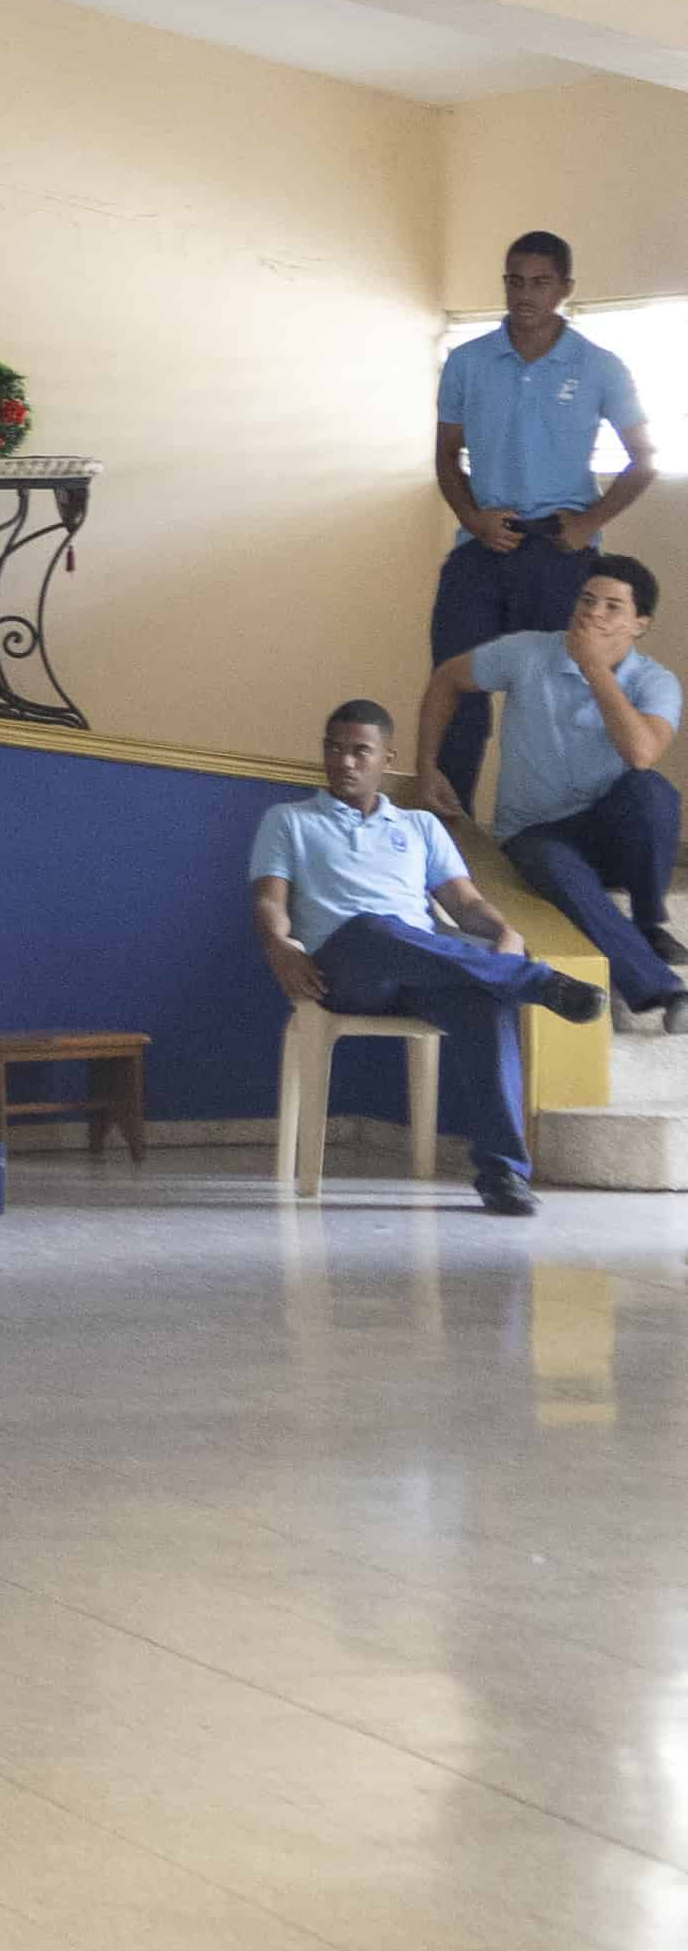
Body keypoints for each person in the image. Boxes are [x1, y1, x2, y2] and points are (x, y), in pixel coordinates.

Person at [256, 698, 595, 1218]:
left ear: (387, 759)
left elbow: (465, 902)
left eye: (359, 751)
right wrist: (278, 945)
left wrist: (506, 929)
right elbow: (269, 900)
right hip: (342, 968)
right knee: (374, 927)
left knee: (485, 1003)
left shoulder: (420, 826)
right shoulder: (289, 821)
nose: (344, 762)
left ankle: (503, 1174)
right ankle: (534, 981)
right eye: (334, 749)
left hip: (423, 970)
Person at [430, 233, 656, 816]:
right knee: (457, 695)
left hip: (560, 550)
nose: (524, 295)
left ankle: (561, 844)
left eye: (539, 282)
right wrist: (472, 519)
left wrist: (588, 524)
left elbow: (644, 461)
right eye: (514, 281)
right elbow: (446, 457)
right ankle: (445, 842)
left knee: (561, 697)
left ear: (565, 289)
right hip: (484, 546)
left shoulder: (599, 366)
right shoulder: (467, 362)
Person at [414, 555, 685, 1033]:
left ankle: (647, 920)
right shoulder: (527, 652)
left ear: (639, 625)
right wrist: (427, 766)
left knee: (651, 792)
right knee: (551, 863)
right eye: (586, 600)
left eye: (612, 607)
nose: (593, 613)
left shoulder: (655, 681)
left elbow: (641, 752)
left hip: (610, 829)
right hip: (536, 833)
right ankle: (661, 989)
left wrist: (595, 670)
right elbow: (447, 679)